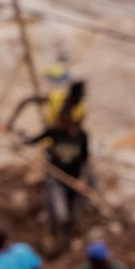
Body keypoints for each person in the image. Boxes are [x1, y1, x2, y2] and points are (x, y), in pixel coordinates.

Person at [24, 82, 90, 245]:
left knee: (74, 216)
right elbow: (34, 140)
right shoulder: (53, 131)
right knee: (60, 213)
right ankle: (52, 234)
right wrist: (19, 141)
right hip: (56, 176)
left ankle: (67, 243)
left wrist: (82, 178)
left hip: (73, 179)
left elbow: (85, 159)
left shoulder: (81, 136)